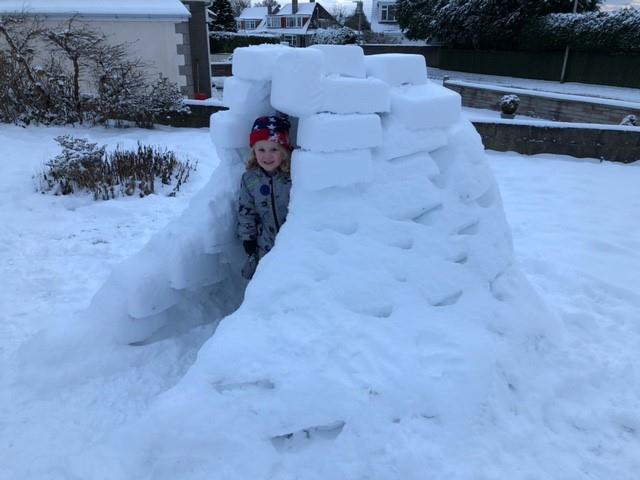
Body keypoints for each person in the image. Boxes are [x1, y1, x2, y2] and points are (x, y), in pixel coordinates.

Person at [238, 115, 293, 279]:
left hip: (292, 242)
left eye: (274, 149)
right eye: (261, 149)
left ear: (283, 152)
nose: (267, 156)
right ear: (254, 151)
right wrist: (248, 238)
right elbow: (246, 211)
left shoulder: (292, 177)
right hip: (265, 245)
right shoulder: (249, 179)